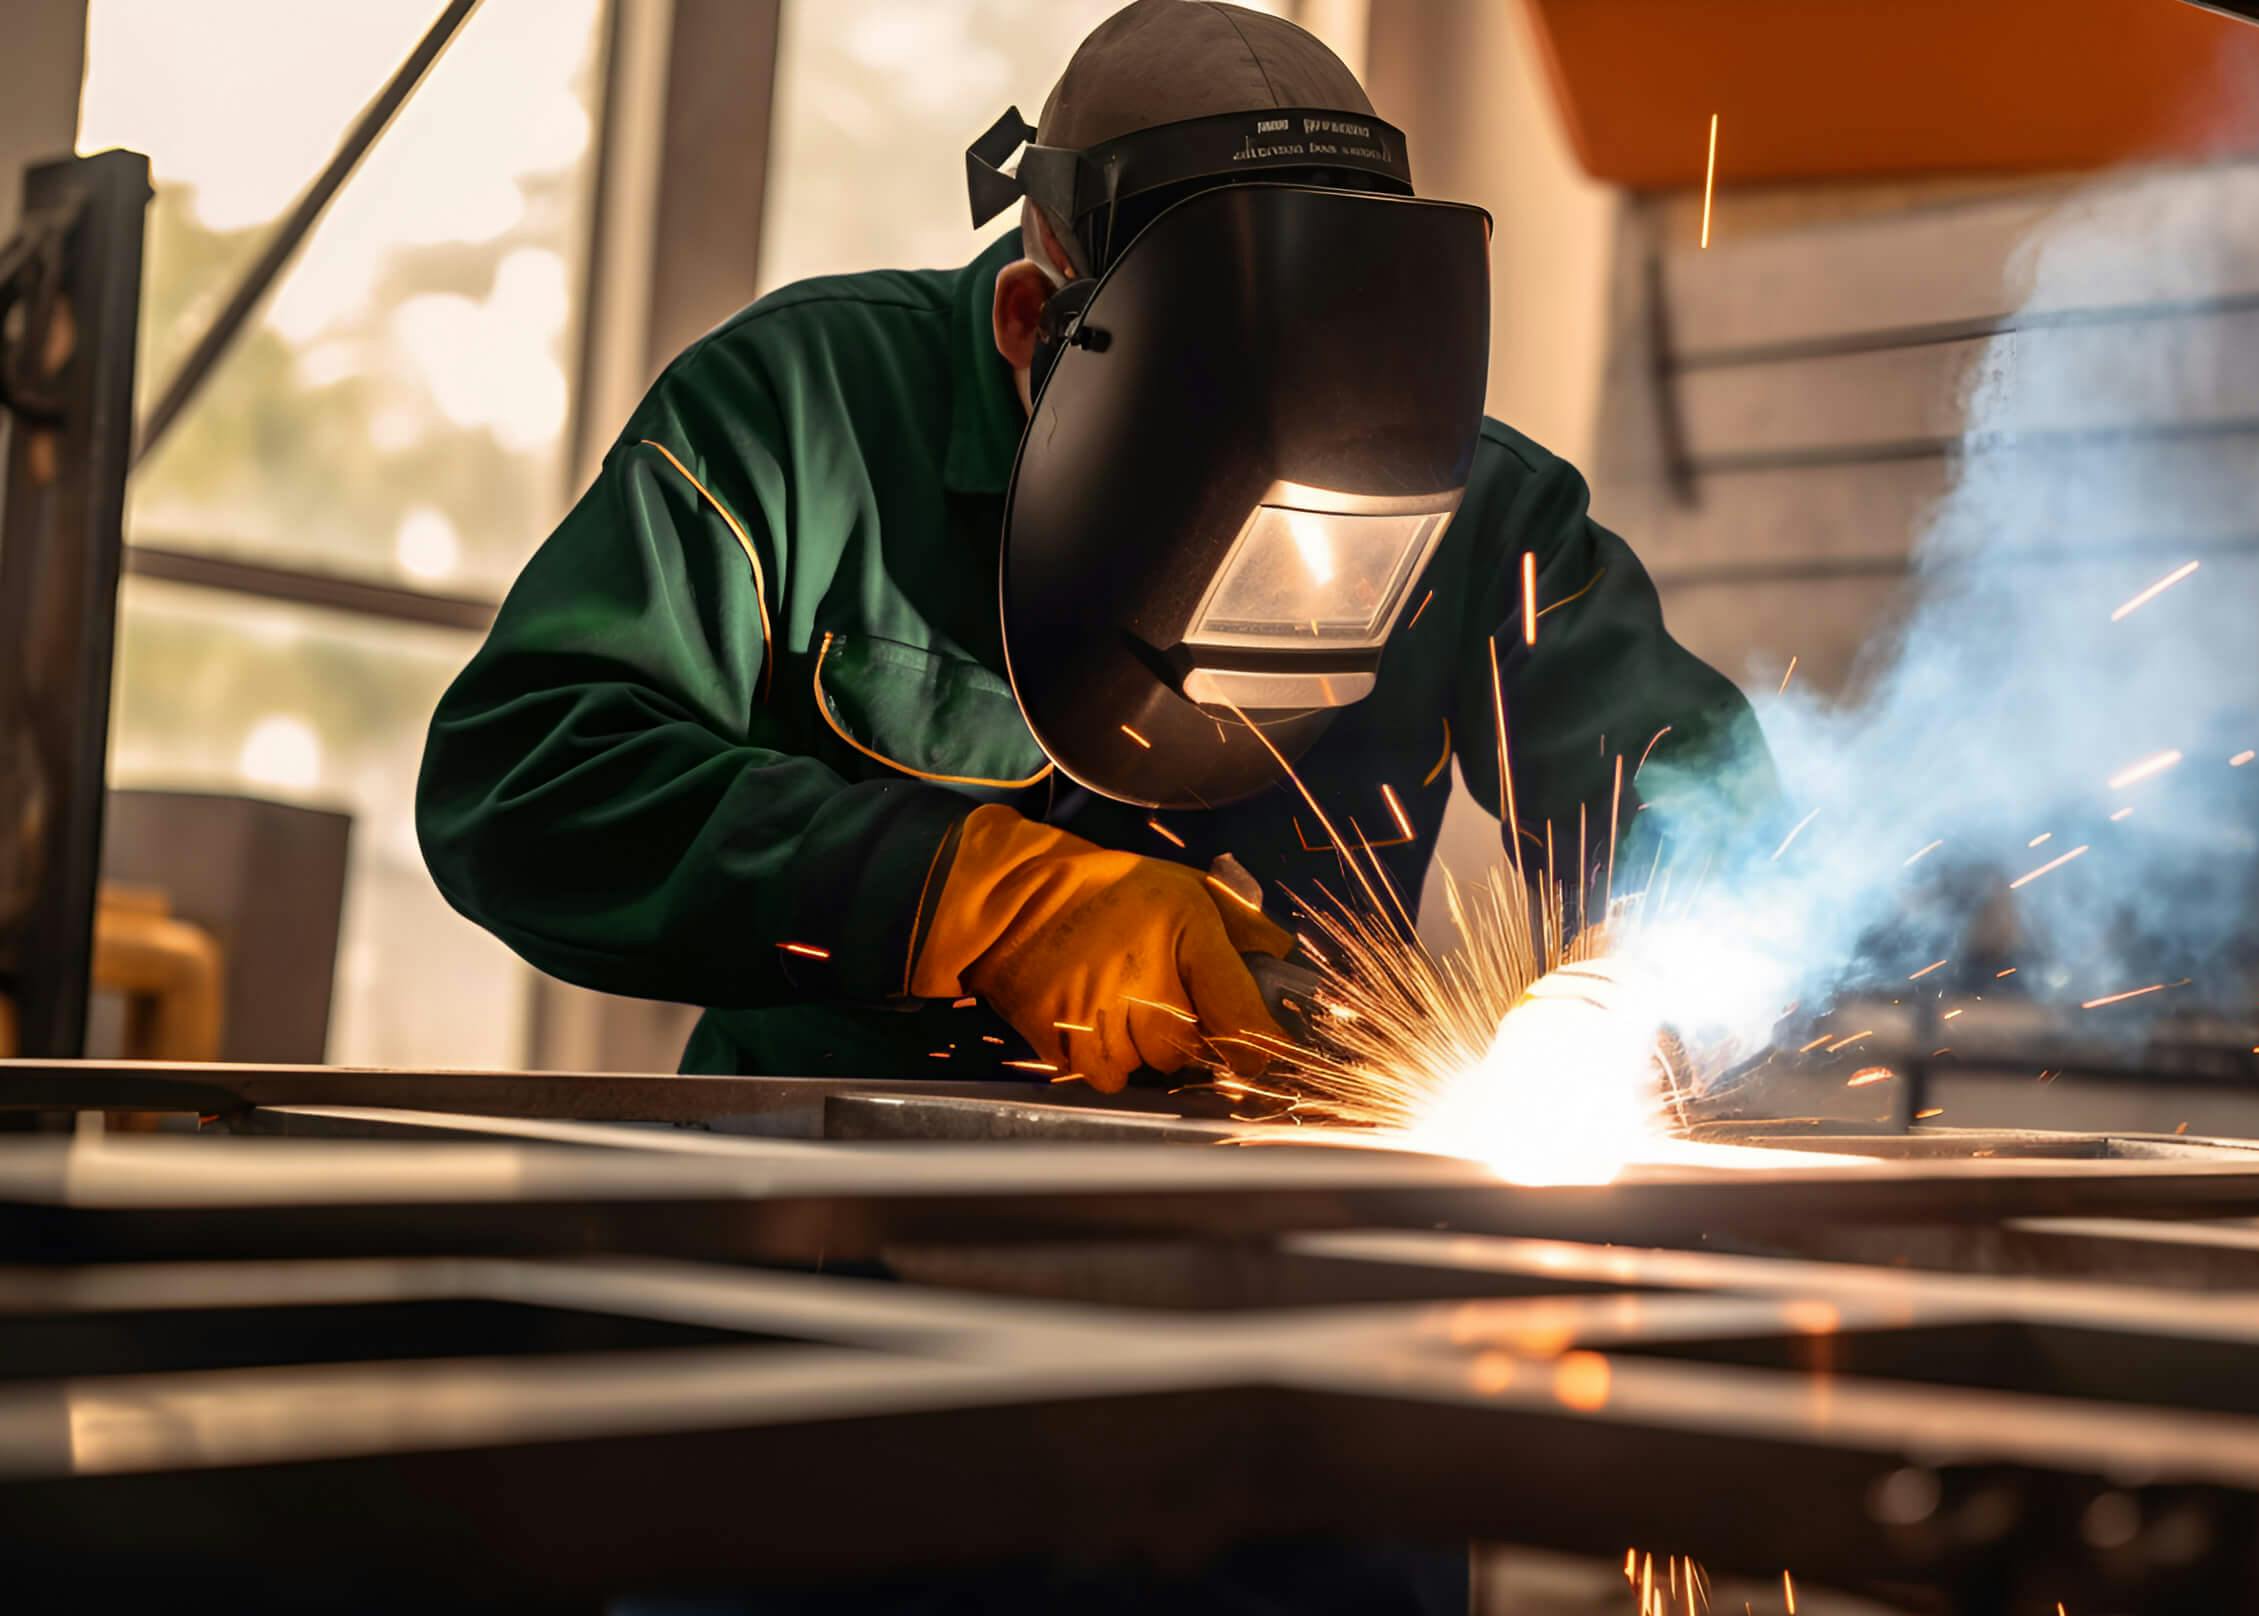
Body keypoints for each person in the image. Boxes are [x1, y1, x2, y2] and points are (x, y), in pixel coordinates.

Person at [418, 0, 1769, 1097]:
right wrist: (957, 893)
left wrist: (1630, 1000)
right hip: (807, 1234)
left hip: (1264, 1263)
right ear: (1033, 322)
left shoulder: (1482, 513)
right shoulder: (800, 419)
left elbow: (1724, 826)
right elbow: (521, 778)